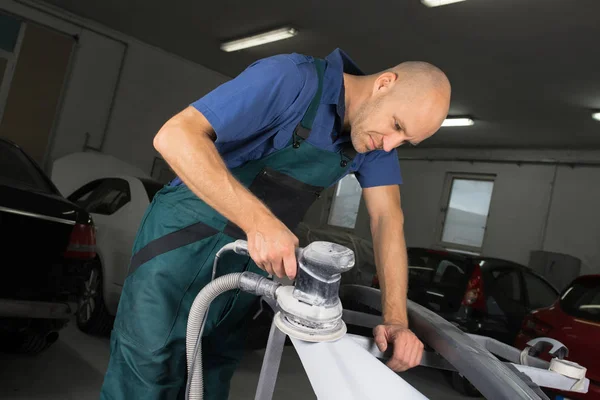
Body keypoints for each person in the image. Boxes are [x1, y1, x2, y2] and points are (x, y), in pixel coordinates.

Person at [100, 48, 451, 399]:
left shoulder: (374, 140)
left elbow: (387, 219)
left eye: (406, 142)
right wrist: (259, 222)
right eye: (396, 126)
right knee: (148, 371)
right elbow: (175, 135)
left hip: (247, 260)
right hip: (181, 240)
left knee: (210, 373)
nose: (390, 145)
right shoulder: (291, 78)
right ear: (384, 84)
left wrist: (395, 320)